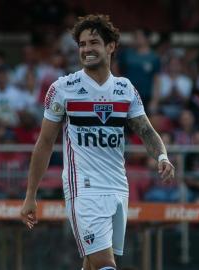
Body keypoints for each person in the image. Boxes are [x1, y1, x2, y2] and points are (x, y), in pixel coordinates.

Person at [20, 14, 174, 270]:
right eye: (81, 44)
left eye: (93, 42)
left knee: (92, 263)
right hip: (84, 187)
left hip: (117, 187)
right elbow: (44, 143)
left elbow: (146, 131)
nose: (87, 49)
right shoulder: (63, 88)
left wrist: (162, 157)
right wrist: (30, 195)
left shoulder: (125, 89)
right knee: (105, 264)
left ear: (111, 46)